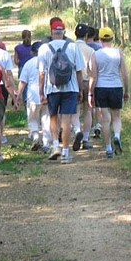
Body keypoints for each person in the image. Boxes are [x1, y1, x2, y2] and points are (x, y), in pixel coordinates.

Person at [38, 19, 86, 164]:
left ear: (51, 32)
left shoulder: (44, 48)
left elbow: (42, 73)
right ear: (64, 32)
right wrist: (80, 89)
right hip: (70, 88)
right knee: (66, 121)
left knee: (53, 117)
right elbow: (79, 71)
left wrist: (41, 92)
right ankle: (66, 153)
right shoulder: (72, 47)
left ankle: (55, 146)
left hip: (52, 88)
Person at [94, 26, 130, 158]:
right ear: (112, 39)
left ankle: (108, 148)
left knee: (105, 119)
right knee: (117, 117)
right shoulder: (118, 53)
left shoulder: (96, 54)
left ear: (100, 39)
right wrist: (127, 90)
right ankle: (117, 136)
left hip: (101, 87)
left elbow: (93, 75)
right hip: (116, 87)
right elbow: (125, 74)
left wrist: (91, 92)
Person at [16, 41, 52, 151]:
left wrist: (18, 96)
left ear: (32, 52)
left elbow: (23, 82)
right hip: (46, 94)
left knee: (33, 119)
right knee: (46, 119)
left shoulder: (28, 64)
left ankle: (36, 137)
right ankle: (46, 143)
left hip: (32, 95)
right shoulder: (48, 62)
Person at [75, 23, 98, 151]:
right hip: (86, 81)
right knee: (88, 110)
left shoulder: (71, 47)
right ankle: (86, 138)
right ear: (87, 35)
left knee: (76, 111)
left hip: (74, 82)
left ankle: (77, 130)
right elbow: (92, 71)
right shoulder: (90, 51)